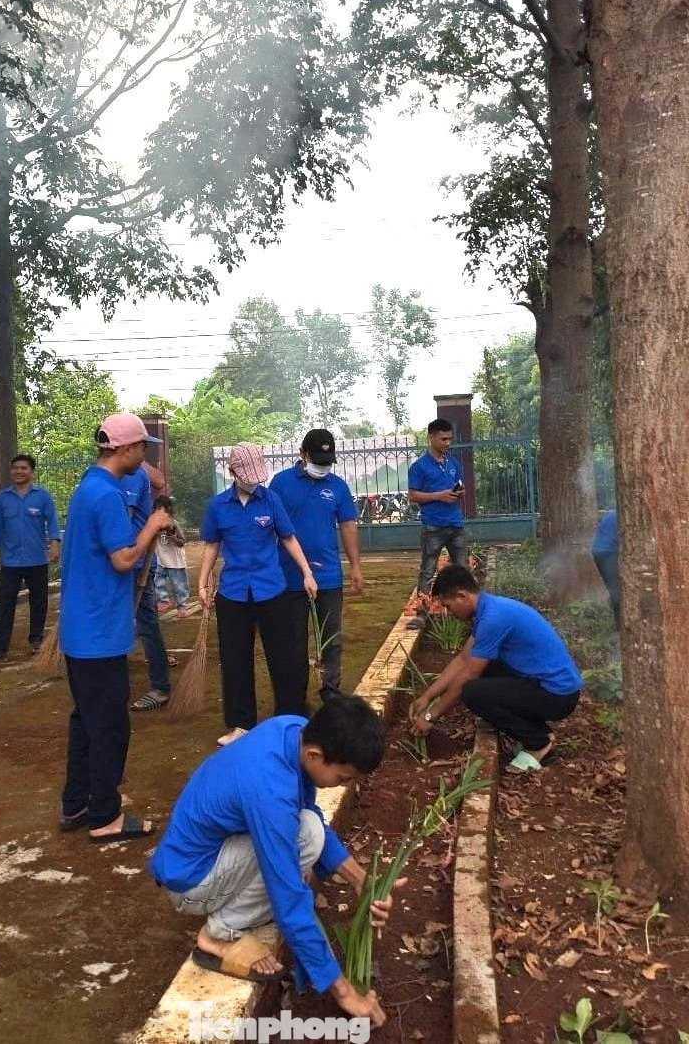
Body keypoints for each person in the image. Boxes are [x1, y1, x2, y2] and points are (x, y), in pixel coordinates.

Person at [149, 694, 398, 1030]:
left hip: (203, 855)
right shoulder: (270, 791)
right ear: (315, 755)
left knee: (308, 829)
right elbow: (289, 900)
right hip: (191, 883)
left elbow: (309, 814)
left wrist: (360, 881)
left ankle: (230, 919)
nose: (345, 784)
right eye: (343, 778)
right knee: (304, 841)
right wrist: (343, 991)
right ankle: (218, 936)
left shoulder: (293, 730)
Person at [58, 413, 171, 841]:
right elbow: (124, 558)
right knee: (109, 725)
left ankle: (79, 802)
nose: (145, 458)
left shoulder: (89, 488)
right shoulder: (105, 495)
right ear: (125, 449)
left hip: (84, 630)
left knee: (86, 720)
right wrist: (154, 526)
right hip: (98, 632)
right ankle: (105, 816)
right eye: (143, 449)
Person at [198, 442, 318, 746]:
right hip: (233, 592)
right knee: (235, 658)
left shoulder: (271, 500)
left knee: (284, 656)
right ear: (232, 471)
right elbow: (212, 545)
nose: (253, 480)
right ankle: (240, 724)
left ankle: (289, 718)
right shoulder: (217, 506)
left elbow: (288, 538)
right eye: (246, 475)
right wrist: (202, 582)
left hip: (271, 589)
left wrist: (307, 573)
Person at [410, 564, 583, 771]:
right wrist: (427, 697)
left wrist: (431, 716)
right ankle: (538, 731)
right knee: (484, 670)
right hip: (545, 685)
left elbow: (468, 675)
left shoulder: (493, 618)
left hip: (558, 695)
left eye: (448, 606)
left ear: (462, 596)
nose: (449, 612)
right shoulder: (490, 608)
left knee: (472, 692)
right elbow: (463, 660)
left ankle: (538, 743)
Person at [269, 428, 364, 703]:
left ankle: (331, 693)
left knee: (331, 640)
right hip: (289, 577)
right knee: (294, 642)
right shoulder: (281, 483)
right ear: (302, 454)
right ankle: (295, 699)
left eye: (327, 463)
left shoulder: (338, 487)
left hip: (328, 577)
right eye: (317, 461)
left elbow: (348, 526)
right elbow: (272, 526)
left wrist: (355, 566)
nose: (322, 468)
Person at [0, 454, 60, 660]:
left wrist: (54, 545)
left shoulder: (42, 496)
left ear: (31, 472)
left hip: (37, 560)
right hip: (11, 561)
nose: (19, 471)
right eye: (15, 468)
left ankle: (36, 639)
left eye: (23, 468)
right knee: (6, 603)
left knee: (39, 602)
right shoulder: (3, 498)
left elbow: (52, 522)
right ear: (11, 471)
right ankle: (0, 646)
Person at [120, 461, 173, 712]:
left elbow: (124, 520)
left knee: (146, 622)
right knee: (140, 621)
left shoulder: (133, 474)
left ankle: (160, 686)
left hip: (133, 562)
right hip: (125, 560)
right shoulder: (112, 475)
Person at [406, 418, 468, 630]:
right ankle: (422, 614)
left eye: (450, 439)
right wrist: (439, 496)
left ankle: (466, 613)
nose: (447, 443)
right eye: (443, 439)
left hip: (455, 524)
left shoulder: (453, 464)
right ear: (431, 437)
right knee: (428, 571)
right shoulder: (419, 467)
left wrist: (459, 493)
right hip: (433, 526)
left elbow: (461, 488)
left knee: (462, 570)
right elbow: (413, 496)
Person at [153, 494, 190, 616]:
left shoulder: (174, 524)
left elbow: (182, 541)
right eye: (157, 509)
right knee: (157, 581)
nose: (159, 512)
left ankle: (182, 605)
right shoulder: (153, 524)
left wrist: (173, 538)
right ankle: (163, 600)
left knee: (179, 584)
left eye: (161, 509)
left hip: (175, 561)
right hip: (161, 559)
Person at [591, 510, 620, 627]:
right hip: (608, 552)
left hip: (598, 551)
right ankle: (620, 628)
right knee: (617, 592)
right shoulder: (624, 517)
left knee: (614, 588)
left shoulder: (613, 513)